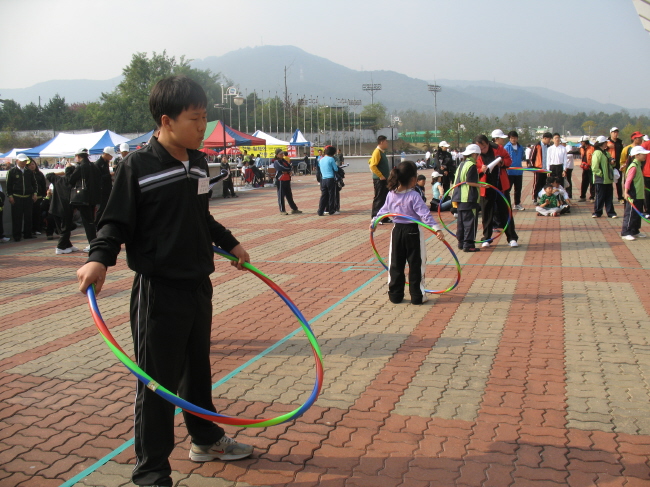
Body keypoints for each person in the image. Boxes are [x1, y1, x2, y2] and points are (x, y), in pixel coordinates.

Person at [76, 75, 254, 487]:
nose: (203, 127)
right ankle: (152, 471)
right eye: (195, 119)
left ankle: (205, 439)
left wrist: (232, 244)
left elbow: (201, 216)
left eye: (206, 117)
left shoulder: (197, 162)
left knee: (197, 371)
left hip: (198, 286)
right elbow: (114, 221)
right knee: (157, 385)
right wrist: (99, 260)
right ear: (166, 120)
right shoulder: (136, 166)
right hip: (159, 292)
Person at [375, 161, 444, 305]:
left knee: (396, 264)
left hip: (397, 231)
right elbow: (425, 214)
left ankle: (395, 295)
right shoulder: (414, 195)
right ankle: (417, 296)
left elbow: (383, 211)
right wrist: (436, 229)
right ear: (413, 180)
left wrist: (374, 222)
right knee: (416, 265)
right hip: (413, 231)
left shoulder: (391, 194)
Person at [476, 133, 519, 248]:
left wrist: (501, 162)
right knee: (487, 213)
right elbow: (471, 167)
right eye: (480, 148)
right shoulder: (474, 153)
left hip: (500, 185)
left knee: (505, 211)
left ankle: (512, 238)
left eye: (484, 147)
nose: (482, 150)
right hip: (485, 187)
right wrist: (481, 169)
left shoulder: (498, 148)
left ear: (488, 143)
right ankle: (486, 238)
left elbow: (508, 160)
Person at [67, 148, 101, 251]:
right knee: (91, 220)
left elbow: (70, 180)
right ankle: (94, 241)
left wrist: (68, 169)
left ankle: (92, 242)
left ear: (78, 156)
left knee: (87, 221)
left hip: (83, 197)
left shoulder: (81, 167)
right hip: (93, 197)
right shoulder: (93, 166)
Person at [451, 144, 482, 252]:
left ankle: (461, 242)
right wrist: (481, 185)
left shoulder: (462, 164)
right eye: (478, 155)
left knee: (461, 222)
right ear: (474, 154)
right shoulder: (471, 165)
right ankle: (468, 245)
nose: (478, 157)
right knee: (470, 222)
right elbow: (470, 182)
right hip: (469, 197)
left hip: (459, 197)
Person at [46, 164, 79, 254]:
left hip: (55, 208)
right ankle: (60, 247)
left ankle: (68, 245)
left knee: (61, 229)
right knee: (65, 228)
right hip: (66, 209)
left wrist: (61, 172)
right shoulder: (73, 182)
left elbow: (48, 175)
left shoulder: (58, 179)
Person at [7, 153, 38, 241]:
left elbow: (34, 184)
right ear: (17, 161)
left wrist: (35, 193)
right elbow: (9, 185)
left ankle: (27, 234)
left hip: (28, 197)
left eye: (25, 161)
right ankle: (17, 235)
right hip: (17, 197)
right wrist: (10, 196)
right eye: (22, 161)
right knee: (17, 217)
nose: (23, 163)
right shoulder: (12, 172)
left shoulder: (29, 172)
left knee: (28, 216)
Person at [621, 146, 650, 240]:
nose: (645, 155)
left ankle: (635, 231)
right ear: (637, 155)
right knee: (630, 214)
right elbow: (628, 181)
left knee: (637, 215)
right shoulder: (633, 166)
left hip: (639, 194)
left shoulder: (638, 165)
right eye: (643, 154)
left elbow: (638, 179)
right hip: (633, 194)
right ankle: (626, 232)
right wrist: (625, 193)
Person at [591, 135, 617, 219]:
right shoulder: (597, 153)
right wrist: (601, 174)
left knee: (609, 197)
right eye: (606, 142)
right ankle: (597, 212)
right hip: (601, 179)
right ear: (603, 143)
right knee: (600, 196)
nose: (607, 144)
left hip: (608, 179)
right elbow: (594, 167)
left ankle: (611, 212)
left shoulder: (606, 152)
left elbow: (612, 161)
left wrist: (613, 162)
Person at [369, 135, 391, 223]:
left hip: (385, 179)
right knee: (379, 198)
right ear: (381, 142)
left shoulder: (382, 152)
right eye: (386, 142)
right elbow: (372, 165)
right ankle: (375, 217)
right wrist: (380, 175)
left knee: (385, 198)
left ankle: (384, 217)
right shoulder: (377, 152)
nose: (387, 143)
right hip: (379, 180)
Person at [273, 148, 302, 215]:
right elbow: (281, 168)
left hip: (287, 179)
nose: (282, 155)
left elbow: (290, 167)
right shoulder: (276, 162)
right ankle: (282, 210)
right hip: (281, 180)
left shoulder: (284, 161)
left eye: (282, 154)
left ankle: (294, 209)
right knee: (281, 196)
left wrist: (288, 170)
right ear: (277, 155)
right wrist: (288, 170)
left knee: (289, 195)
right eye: (280, 154)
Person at [505, 131, 526, 211]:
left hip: (519, 172)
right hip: (509, 172)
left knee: (518, 189)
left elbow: (522, 157)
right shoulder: (507, 147)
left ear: (517, 138)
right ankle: (506, 204)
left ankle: (517, 204)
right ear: (509, 138)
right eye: (512, 138)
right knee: (508, 189)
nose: (513, 139)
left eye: (515, 138)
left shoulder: (520, 147)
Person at [528, 132, 552, 202]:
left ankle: (543, 197)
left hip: (546, 169)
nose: (549, 141)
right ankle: (534, 198)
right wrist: (533, 167)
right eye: (549, 139)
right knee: (536, 183)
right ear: (545, 138)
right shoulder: (536, 146)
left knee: (544, 184)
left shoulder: (548, 147)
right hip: (538, 168)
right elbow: (531, 157)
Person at [95, 146, 115, 225]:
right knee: (101, 207)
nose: (111, 157)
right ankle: (97, 223)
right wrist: (109, 175)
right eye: (111, 156)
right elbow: (98, 178)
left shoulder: (105, 163)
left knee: (106, 206)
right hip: (101, 189)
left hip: (107, 188)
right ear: (106, 154)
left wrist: (110, 178)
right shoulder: (98, 164)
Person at [317, 146, 339, 216]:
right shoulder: (331, 159)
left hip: (323, 179)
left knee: (323, 196)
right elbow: (336, 169)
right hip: (330, 178)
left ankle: (320, 211)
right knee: (331, 195)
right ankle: (331, 210)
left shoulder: (321, 159)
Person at [28, 159, 47, 235]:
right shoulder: (27, 174)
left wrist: (44, 195)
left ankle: (37, 228)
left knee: (38, 213)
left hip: (39, 197)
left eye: (33, 164)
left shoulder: (39, 174)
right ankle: (30, 229)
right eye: (29, 165)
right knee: (30, 214)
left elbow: (43, 185)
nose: (32, 166)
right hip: (30, 197)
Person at [608, 127, 624, 203]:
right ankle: (609, 198)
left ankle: (620, 197)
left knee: (619, 181)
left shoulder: (619, 143)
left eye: (616, 132)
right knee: (609, 182)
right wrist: (607, 147)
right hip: (609, 165)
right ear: (610, 133)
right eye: (614, 132)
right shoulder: (607, 142)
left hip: (618, 164)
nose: (615, 134)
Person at [579, 136, 595, 202]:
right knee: (584, 182)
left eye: (582, 142)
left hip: (591, 168)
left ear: (585, 142)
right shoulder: (581, 148)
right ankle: (582, 196)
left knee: (592, 182)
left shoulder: (592, 148)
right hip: (584, 168)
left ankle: (592, 197)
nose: (581, 143)